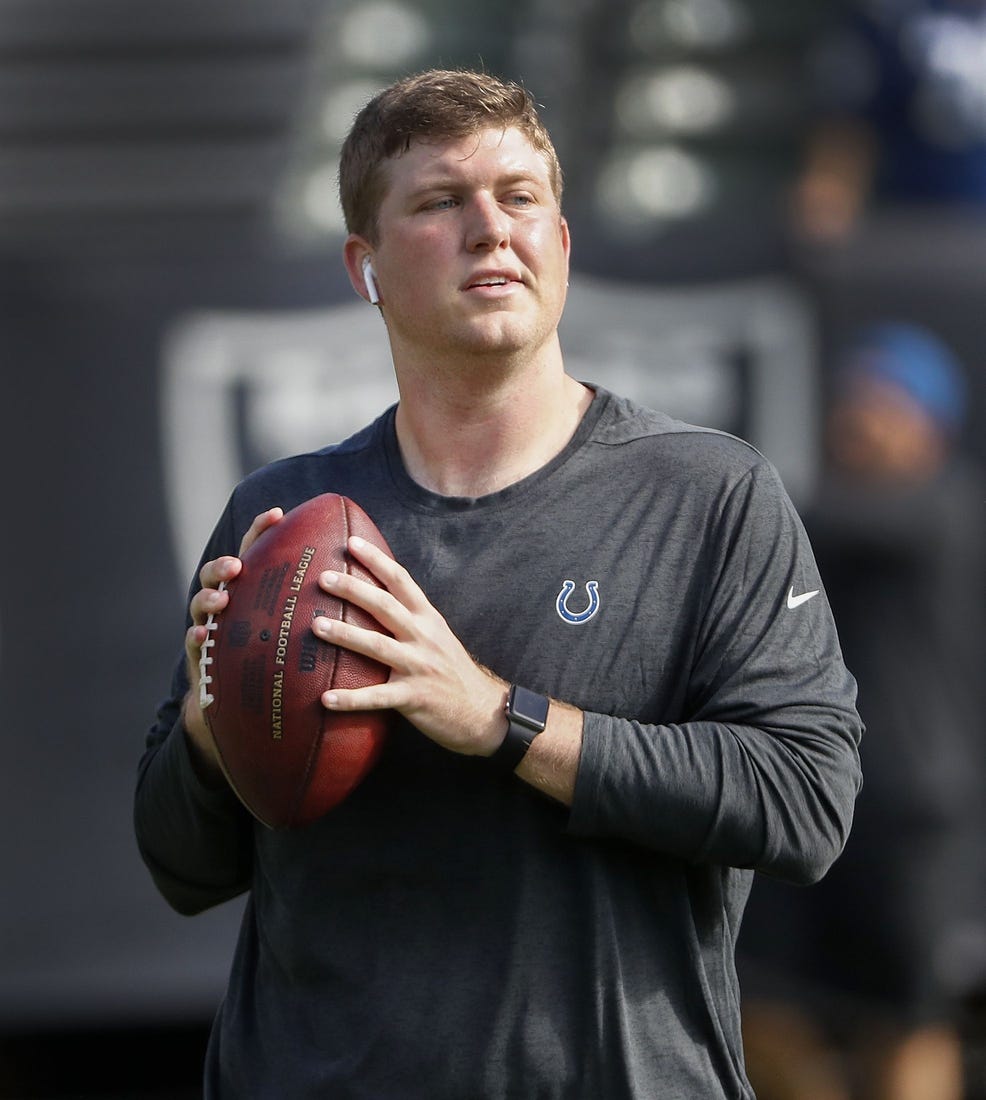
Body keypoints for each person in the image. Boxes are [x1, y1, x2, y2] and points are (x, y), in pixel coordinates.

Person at [134, 69, 863, 1099]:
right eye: (438, 201)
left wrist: (497, 718)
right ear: (366, 267)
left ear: (559, 243)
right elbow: (183, 869)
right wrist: (212, 736)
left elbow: (802, 802)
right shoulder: (283, 516)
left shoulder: (708, 491)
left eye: (519, 196)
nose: (490, 227)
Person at [740, 322, 986, 1100]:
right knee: (760, 1004)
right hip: (813, 805)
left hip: (915, 822)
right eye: (854, 399)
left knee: (909, 1022)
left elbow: (794, 517)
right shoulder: (821, 529)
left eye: (885, 402)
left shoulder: (947, 508)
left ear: (930, 423)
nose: (860, 417)